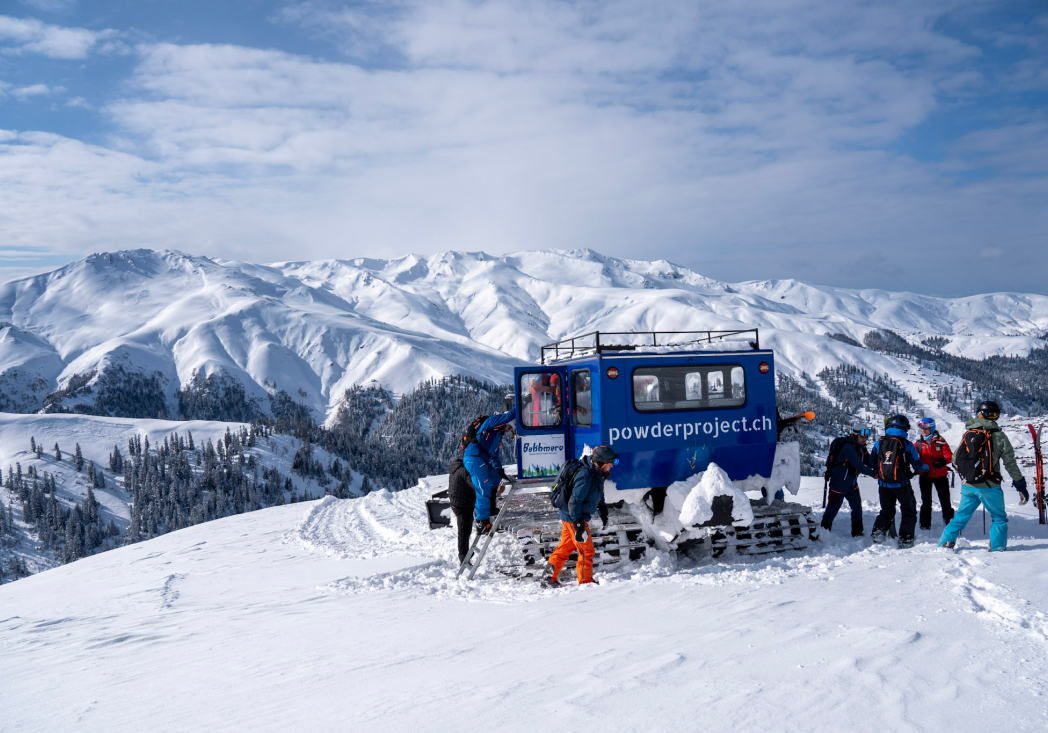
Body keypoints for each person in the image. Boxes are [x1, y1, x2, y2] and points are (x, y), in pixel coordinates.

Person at [939, 401, 1028, 552]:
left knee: (960, 517)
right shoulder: (999, 436)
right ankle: (997, 547)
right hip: (990, 486)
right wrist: (1020, 484)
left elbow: (955, 460)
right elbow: (1010, 464)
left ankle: (945, 544)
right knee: (999, 518)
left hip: (968, 486)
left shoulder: (968, 433)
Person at [543, 445, 618, 587]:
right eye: (610, 464)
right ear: (600, 463)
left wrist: (603, 511)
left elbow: (598, 493)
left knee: (565, 548)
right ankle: (586, 582)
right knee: (587, 550)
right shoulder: (586, 475)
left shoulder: (596, 473)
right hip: (574, 517)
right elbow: (574, 501)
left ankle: (547, 579)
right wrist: (578, 525)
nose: (612, 467)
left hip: (571, 516)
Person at [870, 414, 927, 548]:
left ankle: (878, 533)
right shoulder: (906, 444)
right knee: (909, 510)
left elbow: (871, 462)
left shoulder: (879, 442)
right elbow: (917, 464)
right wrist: (926, 468)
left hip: (883, 485)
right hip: (902, 485)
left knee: (886, 511)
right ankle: (906, 539)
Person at [462, 409, 516, 535]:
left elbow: (495, 455)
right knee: (483, 489)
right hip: (474, 458)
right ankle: (482, 522)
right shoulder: (493, 421)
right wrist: (522, 404)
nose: (508, 430)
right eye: (509, 427)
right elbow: (510, 415)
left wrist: (499, 470)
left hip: (481, 459)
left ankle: (490, 508)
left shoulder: (496, 435)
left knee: (494, 478)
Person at [821, 426, 876, 536]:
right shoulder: (848, 447)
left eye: (866, 437)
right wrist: (873, 474)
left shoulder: (861, 448)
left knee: (857, 508)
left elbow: (869, 462)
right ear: (855, 436)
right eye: (861, 437)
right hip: (838, 484)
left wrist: (881, 463)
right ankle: (823, 533)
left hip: (851, 484)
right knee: (832, 510)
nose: (864, 439)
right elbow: (859, 466)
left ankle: (857, 533)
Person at [447, 455, 490, 565]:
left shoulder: (456, 468)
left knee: (464, 531)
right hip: (463, 504)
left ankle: (464, 554)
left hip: (457, 502)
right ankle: (463, 557)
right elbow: (476, 485)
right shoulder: (464, 471)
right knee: (464, 532)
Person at [914, 417, 954, 530]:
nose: (923, 431)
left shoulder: (940, 441)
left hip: (941, 476)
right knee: (926, 501)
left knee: (945, 501)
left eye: (926, 428)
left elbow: (950, 456)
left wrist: (944, 462)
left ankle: (950, 523)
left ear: (932, 428)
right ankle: (925, 525)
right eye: (922, 428)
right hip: (925, 476)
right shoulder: (918, 443)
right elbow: (911, 456)